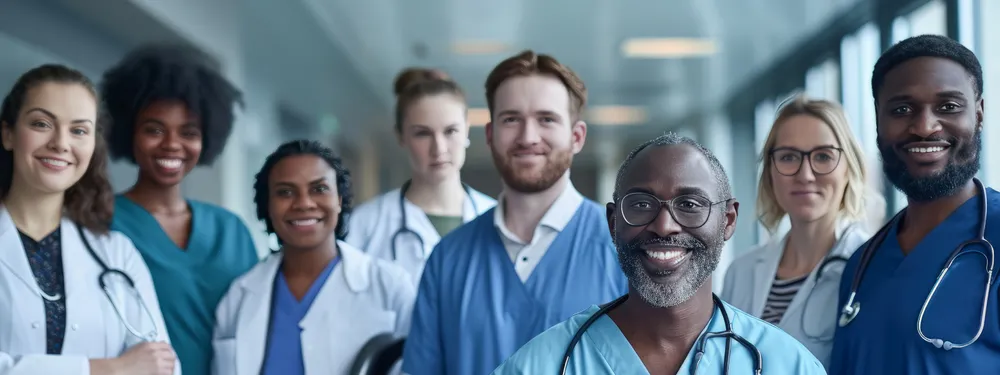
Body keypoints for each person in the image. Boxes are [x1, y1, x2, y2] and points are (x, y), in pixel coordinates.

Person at [492, 132, 826, 374]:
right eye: (640, 204)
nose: (664, 226)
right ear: (613, 222)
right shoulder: (543, 365)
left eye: (690, 204)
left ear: (728, 220)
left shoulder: (787, 365)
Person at [401, 50, 629, 375]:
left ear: (577, 137)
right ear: (491, 135)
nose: (527, 137)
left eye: (546, 119)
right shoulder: (447, 260)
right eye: (511, 119)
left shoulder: (625, 250)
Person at [830, 35, 1000, 373]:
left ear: (979, 114)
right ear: (879, 120)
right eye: (902, 109)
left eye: (948, 107)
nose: (924, 127)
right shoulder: (861, 265)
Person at [0, 64, 177, 374]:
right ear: (8, 134)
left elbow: (161, 366)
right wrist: (110, 369)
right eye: (42, 124)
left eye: (79, 130)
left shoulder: (116, 254)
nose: (61, 143)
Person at [101, 44, 260, 375]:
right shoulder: (100, 223)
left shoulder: (231, 230)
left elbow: (257, 327)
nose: (171, 144)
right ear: (129, 132)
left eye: (188, 132)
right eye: (154, 129)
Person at [212, 140, 415, 375]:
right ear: (268, 205)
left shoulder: (389, 285)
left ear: (339, 200)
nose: (304, 203)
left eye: (319, 189)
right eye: (285, 192)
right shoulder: (239, 296)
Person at [721, 94, 877, 367]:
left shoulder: (870, 269)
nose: (805, 174)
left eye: (823, 156)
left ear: (848, 168)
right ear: (770, 170)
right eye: (789, 157)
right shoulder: (742, 272)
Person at [346, 68, 495, 285]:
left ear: (466, 130)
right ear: (400, 136)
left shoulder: (497, 220)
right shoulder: (365, 225)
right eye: (422, 133)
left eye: (450, 131)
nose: (439, 148)